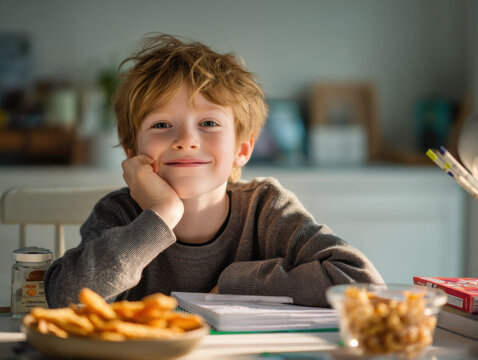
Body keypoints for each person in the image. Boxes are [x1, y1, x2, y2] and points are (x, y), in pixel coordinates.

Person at [45, 34, 383, 308]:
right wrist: (162, 213)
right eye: (162, 124)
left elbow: (362, 283)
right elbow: (64, 298)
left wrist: (237, 283)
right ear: (132, 149)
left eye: (208, 123)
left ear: (242, 150)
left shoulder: (265, 208)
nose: (186, 140)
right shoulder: (119, 214)